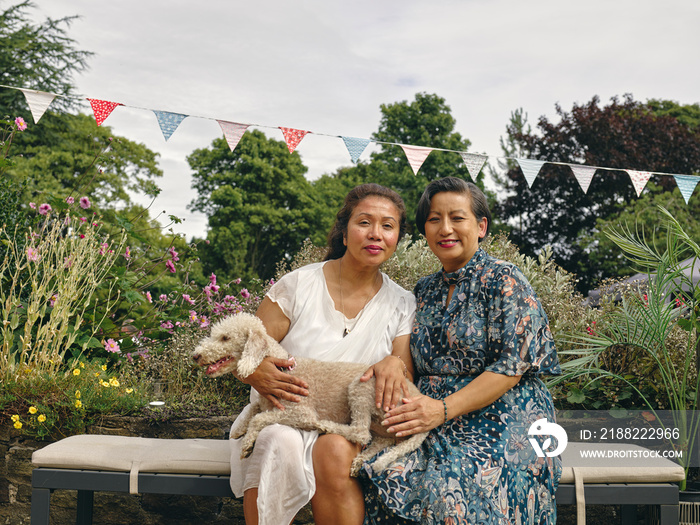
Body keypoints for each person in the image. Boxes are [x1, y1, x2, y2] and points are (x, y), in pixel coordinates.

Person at [361, 177, 562, 524]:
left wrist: (442, 409)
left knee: (450, 481)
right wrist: (392, 364)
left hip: (504, 416)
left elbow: (511, 367)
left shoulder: (505, 280)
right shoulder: (423, 290)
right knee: (377, 470)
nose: (445, 228)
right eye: (434, 219)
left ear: (481, 226)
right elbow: (409, 359)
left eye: (457, 217)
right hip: (428, 416)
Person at [229, 183, 417, 525]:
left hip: (351, 421)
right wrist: (254, 372)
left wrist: (394, 363)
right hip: (287, 412)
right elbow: (245, 348)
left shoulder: (402, 303)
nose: (375, 234)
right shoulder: (298, 285)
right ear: (344, 233)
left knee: (336, 449)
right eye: (364, 222)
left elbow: (403, 375)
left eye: (388, 226)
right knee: (274, 438)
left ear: (396, 239)